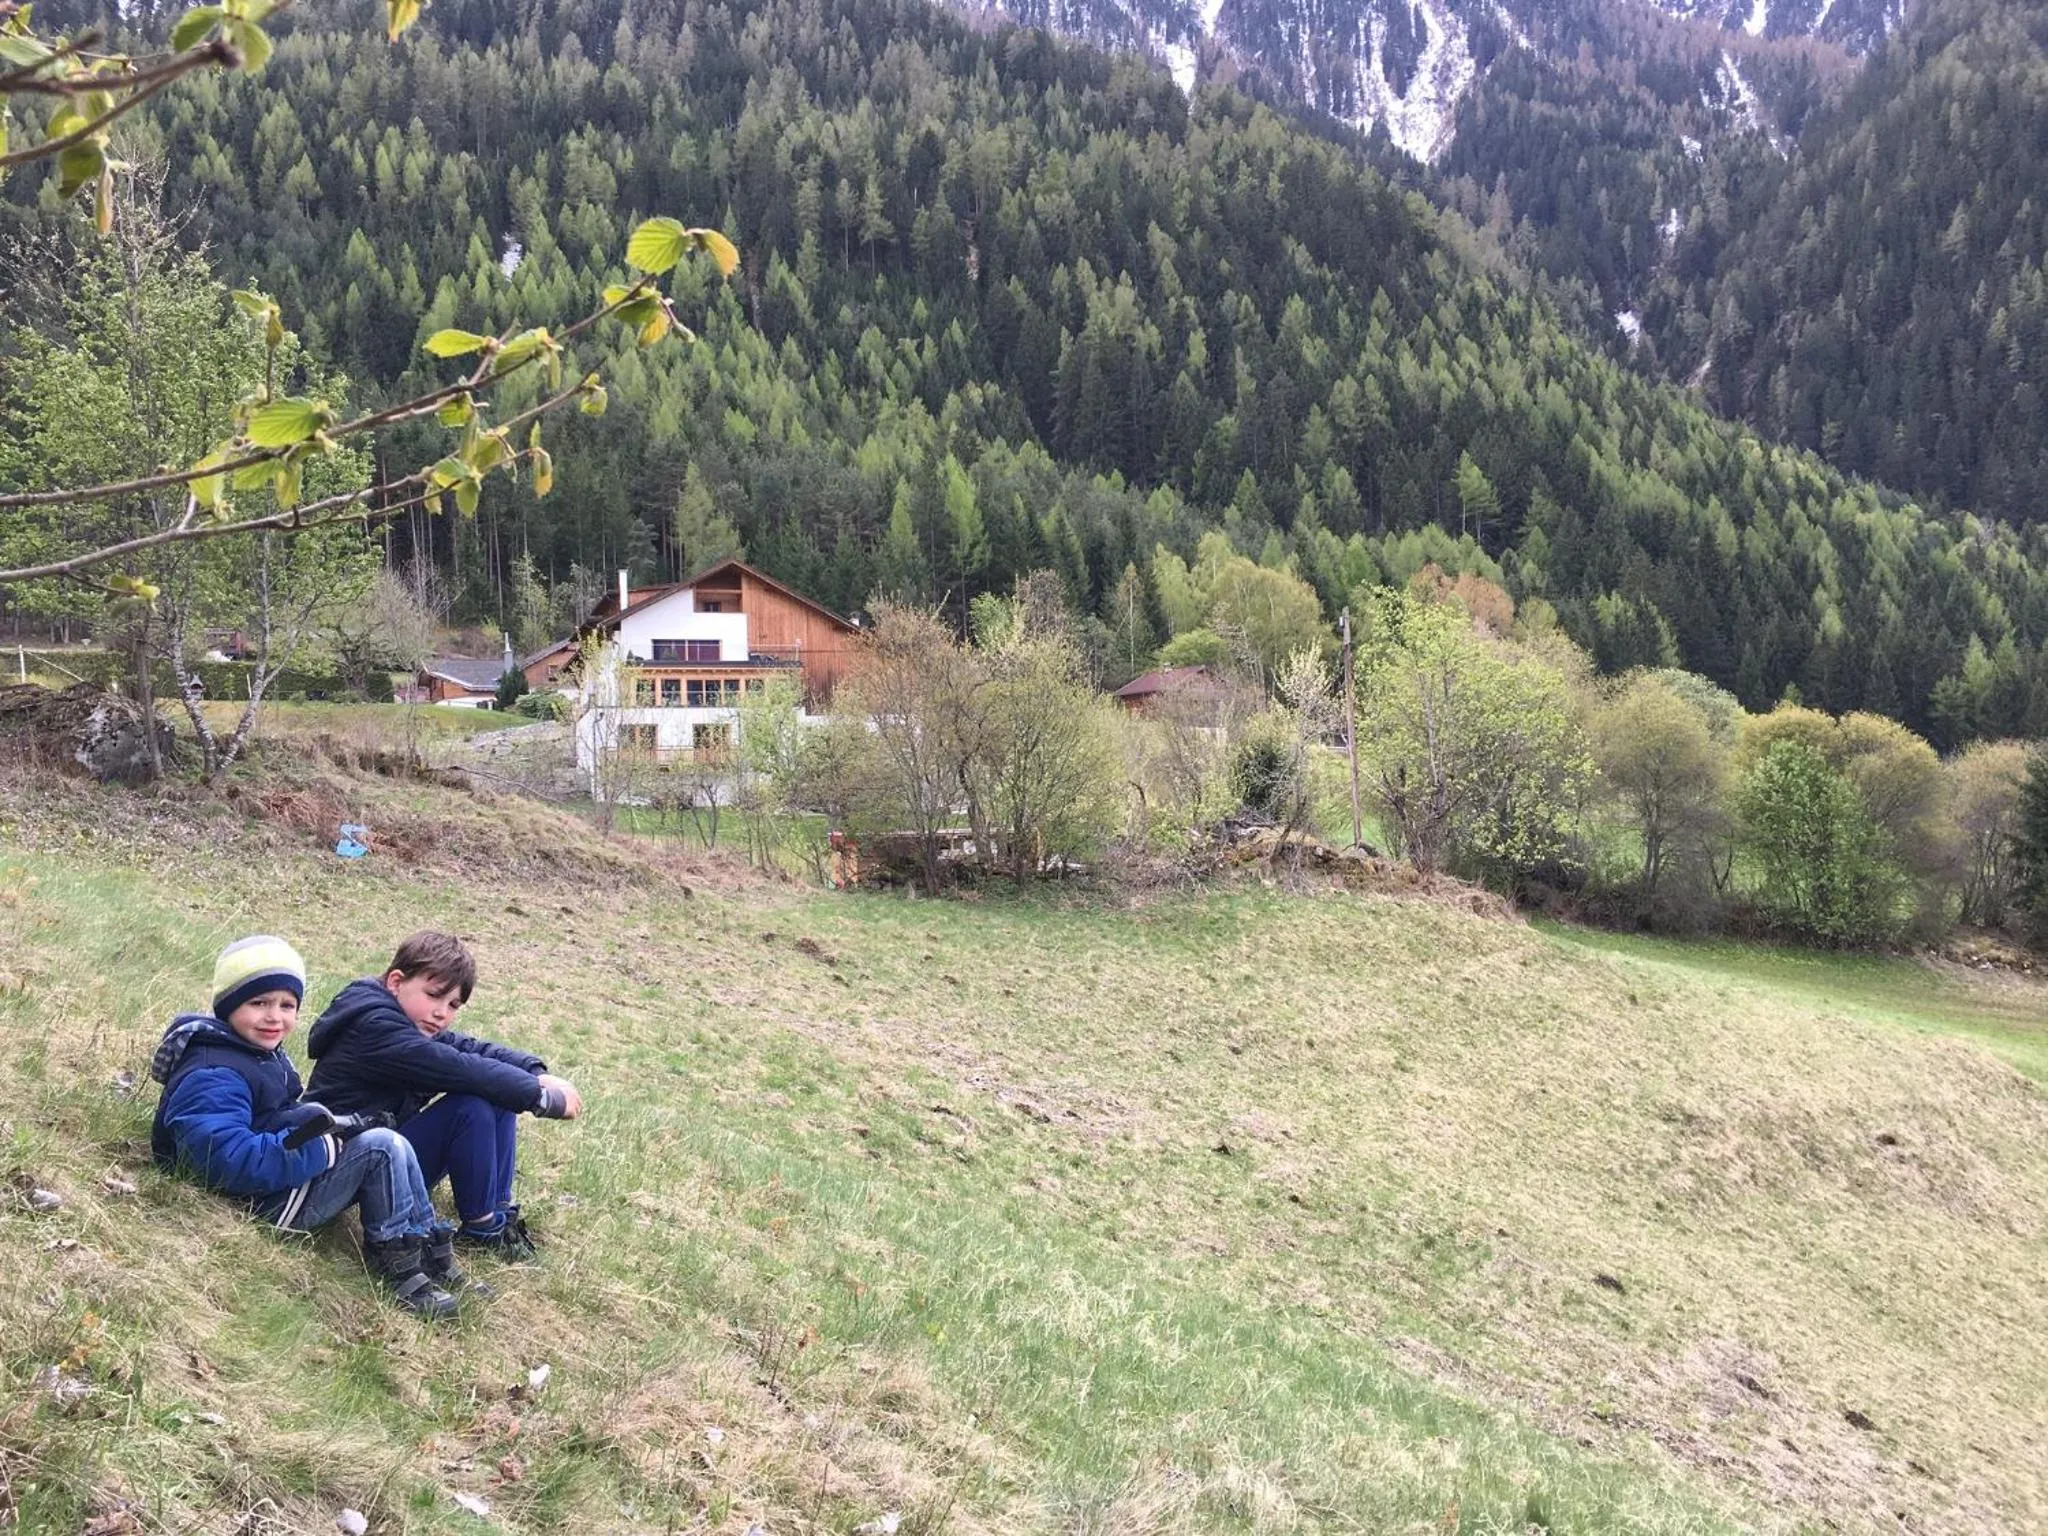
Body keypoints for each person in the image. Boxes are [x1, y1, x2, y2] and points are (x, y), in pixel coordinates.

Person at [150, 935, 462, 1319]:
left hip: (273, 1183)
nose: (274, 1017)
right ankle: (398, 1263)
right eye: (258, 1003)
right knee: (382, 1146)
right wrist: (318, 1149)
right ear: (228, 1005)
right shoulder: (215, 1072)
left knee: (388, 1140)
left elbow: (269, 1118)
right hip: (260, 1202)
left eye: (287, 1005)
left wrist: (319, 1126)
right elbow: (223, 1159)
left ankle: (426, 1244)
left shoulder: (255, 1054)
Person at [306, 931, 581, 1258]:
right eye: (434, 996)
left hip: (387, 1153)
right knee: (470, 1106)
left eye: (453, 1005)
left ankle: (499, 1212)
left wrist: (537, 1073)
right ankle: (483, 1228)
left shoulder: (406, 1021)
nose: (442, 1013)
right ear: (396, 982)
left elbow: (469, 1048)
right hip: (345, 1167)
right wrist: (541, 1098)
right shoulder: (376, 1028)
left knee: (496, 1093)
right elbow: (460, 1067)